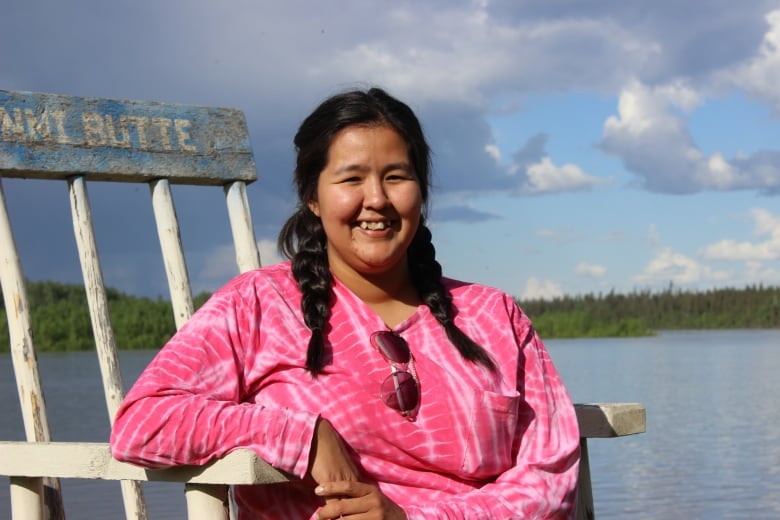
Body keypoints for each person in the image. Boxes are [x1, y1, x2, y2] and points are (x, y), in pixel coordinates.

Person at [110, 87, 581, 519]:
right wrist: (298, 436)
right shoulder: (259, 305)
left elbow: (550, 478)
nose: (376, 199)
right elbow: (142, 423)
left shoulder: (493, 316)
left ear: (422, 191)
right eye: (351, 178)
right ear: (312, 197)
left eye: (396, 176)